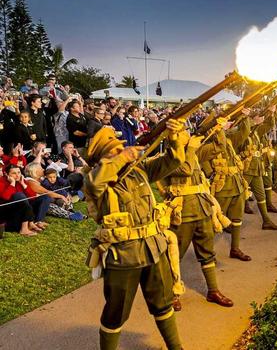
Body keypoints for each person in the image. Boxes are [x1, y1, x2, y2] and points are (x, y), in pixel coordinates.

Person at [83, 121, 187, 350]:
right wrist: (123, 157)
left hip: (153, 248)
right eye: (115, 150)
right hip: (123, 255)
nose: (122, 151)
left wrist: (174, 137)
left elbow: (175, 161)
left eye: (122, 148)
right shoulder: (96, 179)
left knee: (163, 303)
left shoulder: (139, 170)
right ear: (104, 157)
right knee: (115, 313)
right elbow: (95, 183)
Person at [160, 131, 234, 312]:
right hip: (182, 213)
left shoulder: (193, 152)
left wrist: (218, 129)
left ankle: (213, 290)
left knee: (208, 252)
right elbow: (184, 169)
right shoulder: (166, 159)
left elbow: (218, 148)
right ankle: (172, 293)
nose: (186, 135)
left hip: (202, 209)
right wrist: (192, 148)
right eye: (181, 133)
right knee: (175, 254)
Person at [200, 110, 253, 263]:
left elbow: (244, 132)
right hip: (221, 186)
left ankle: (235, 248)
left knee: (237, 219)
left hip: (236, 184)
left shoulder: (228, 140)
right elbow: (204, 164)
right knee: (214, 221)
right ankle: (208, 254)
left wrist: (244, 116)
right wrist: (212, 173)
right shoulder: (207, 144)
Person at [240, 112, 277, 230]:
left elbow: (269, 124)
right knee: (239, 195)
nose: (261, 118)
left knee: (261, 195)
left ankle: (266, 221)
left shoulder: (256, 133)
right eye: (258, 117)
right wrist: (244, 116)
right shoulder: (241, 134)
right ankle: (230, 220)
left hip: (256, 168)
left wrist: (272, 111)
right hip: (247, 169)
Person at [0, 164, 50, 236]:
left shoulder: (21, 180)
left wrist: (23, 184)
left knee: (45, 197)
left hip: (23, 208)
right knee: (19, 195)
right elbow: (5, 197)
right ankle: (24, 228)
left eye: (19, 172)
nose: (17, 175)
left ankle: (38, 221)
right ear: (6, 174)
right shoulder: (1, 182)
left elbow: (32, 196)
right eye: (14, 173)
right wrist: (12, 183)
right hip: (8, 212)